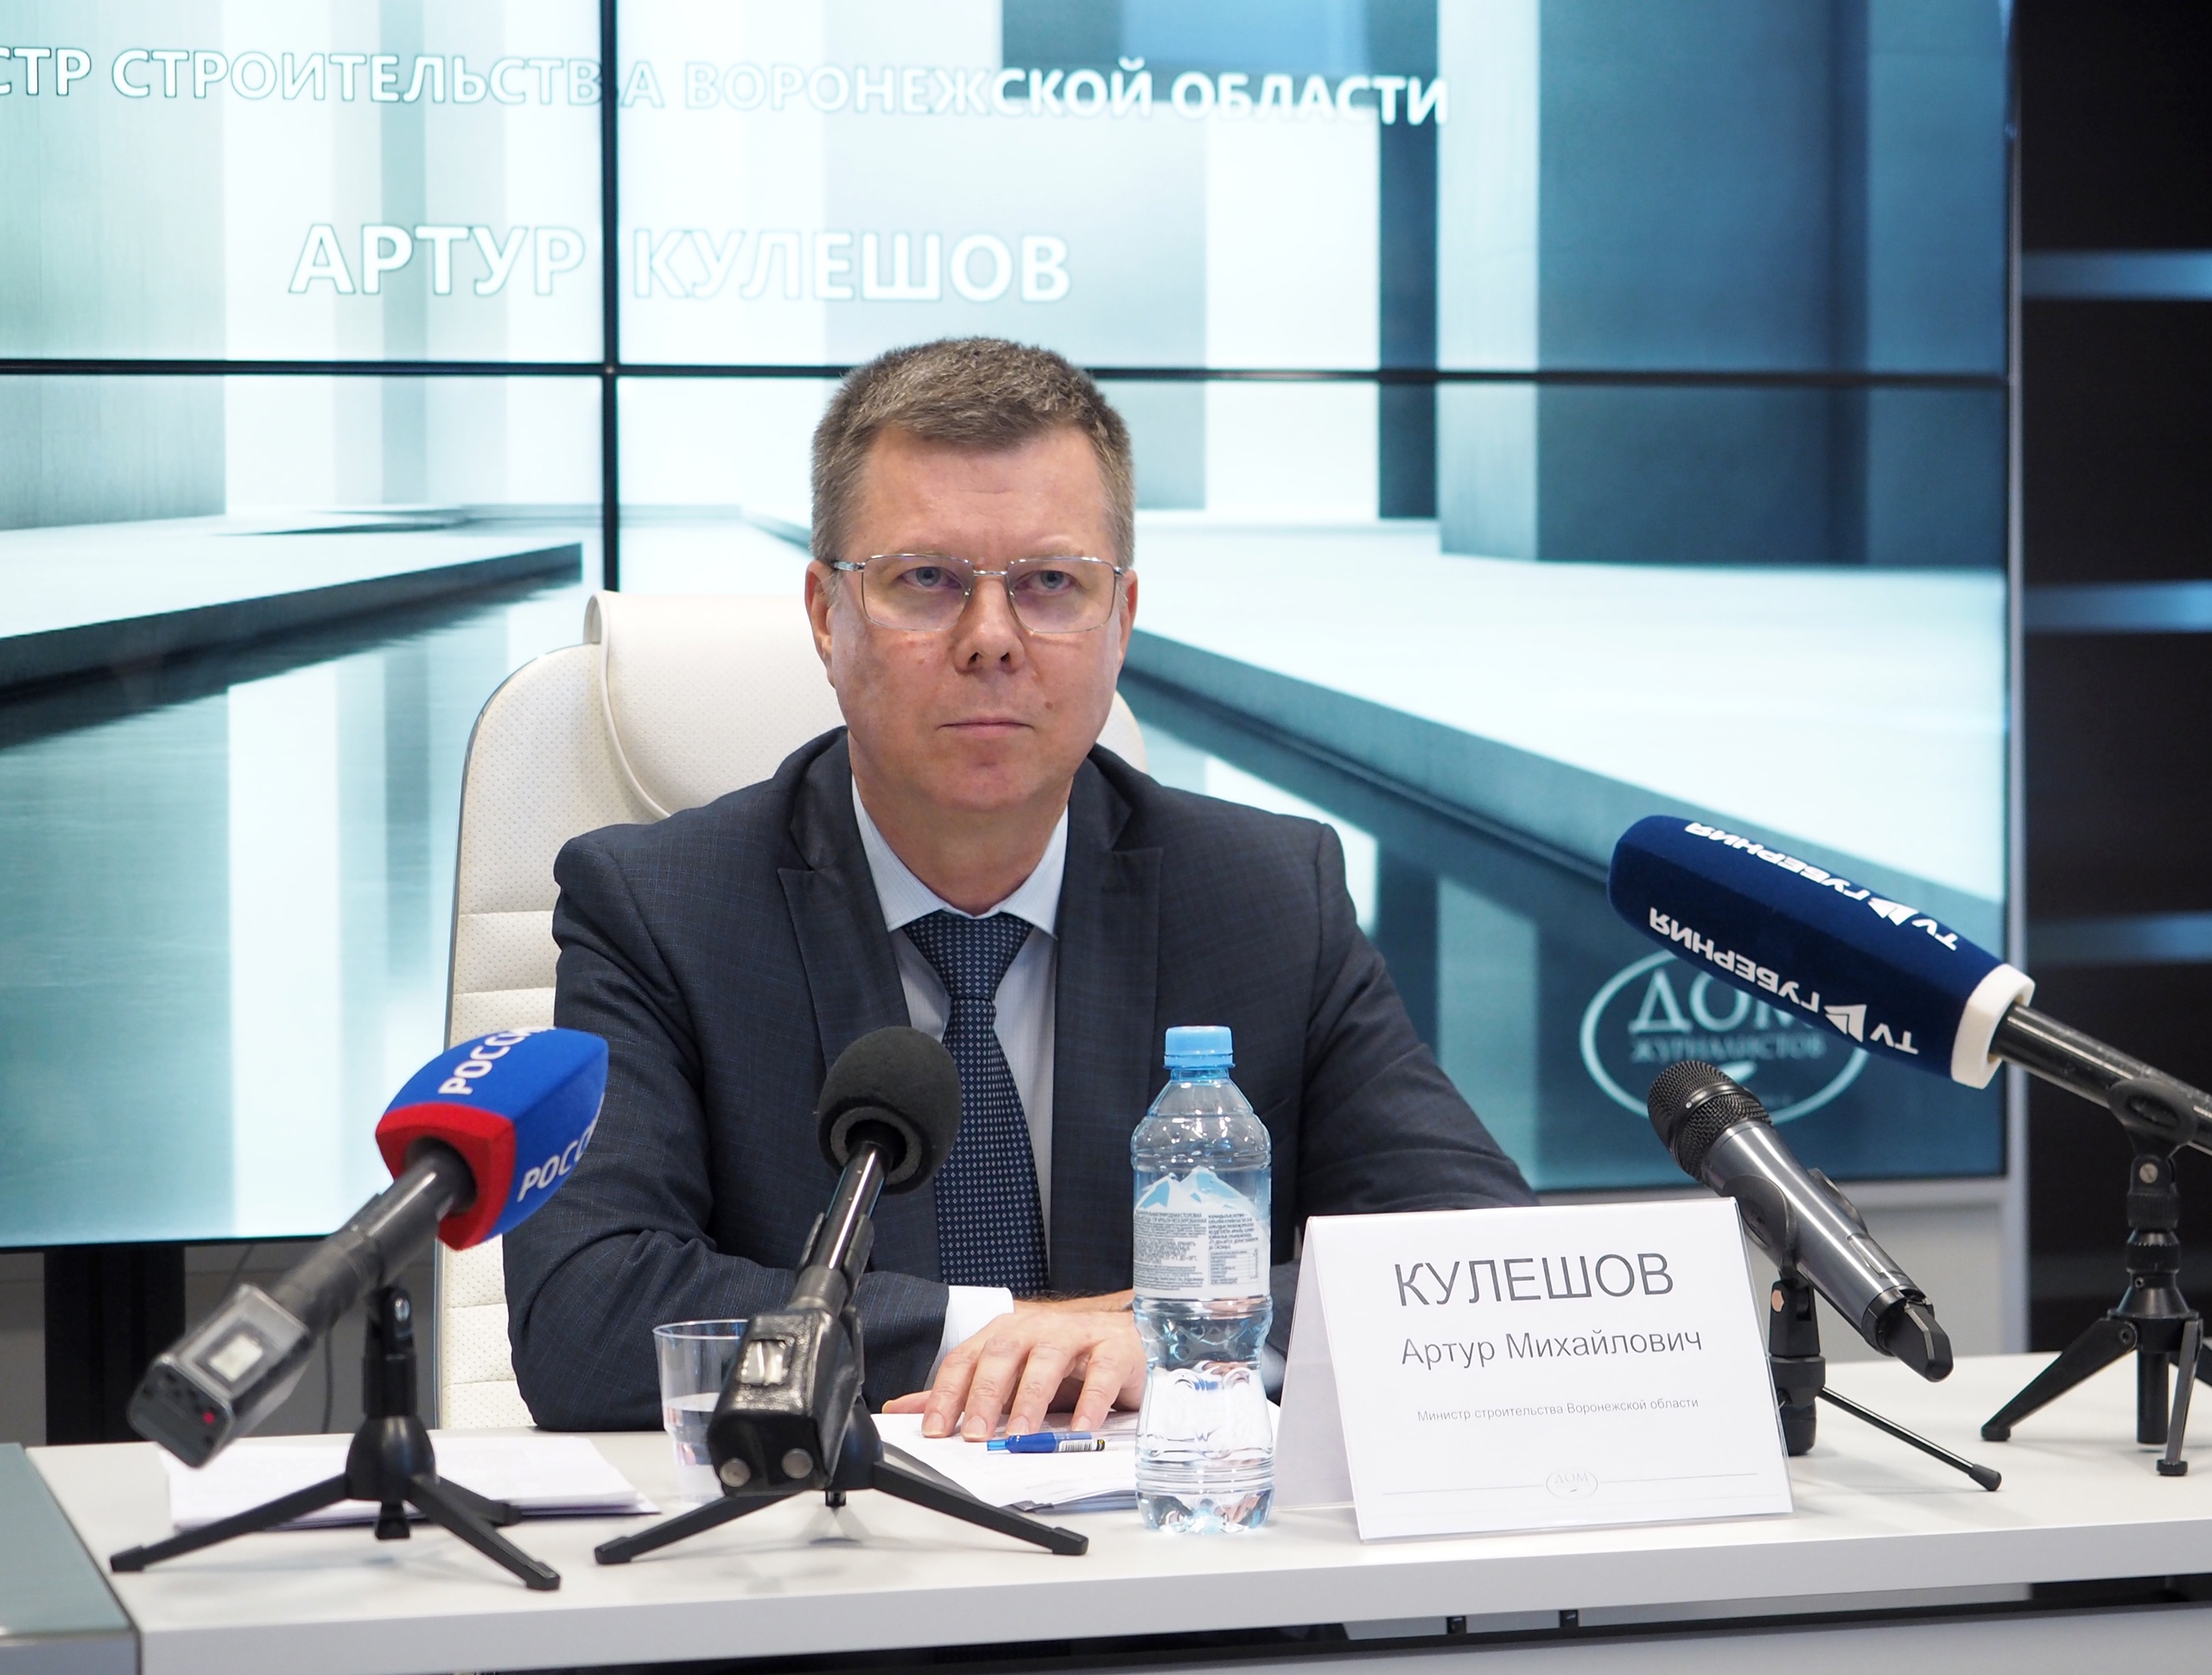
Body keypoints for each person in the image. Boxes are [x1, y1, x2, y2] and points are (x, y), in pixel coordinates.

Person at [505, 337, 1533, 1441]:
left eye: (1050, 584)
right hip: (827, 1538)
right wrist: (994, 1334)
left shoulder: (1270, 898)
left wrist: (1182, 1328)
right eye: (925, 580)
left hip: (1178, 1535)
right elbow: (584, 1317)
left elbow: (1486, 1265)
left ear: (1120, 620)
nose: (990, 640)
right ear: (824, 613)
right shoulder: (660, 910)